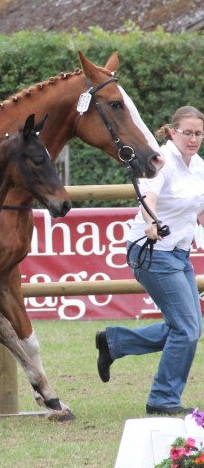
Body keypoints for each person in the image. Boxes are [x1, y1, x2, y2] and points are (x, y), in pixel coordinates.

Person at [96, 105, 204, 416]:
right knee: (186, 330)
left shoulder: (198, 166)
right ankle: (163, 399)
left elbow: (199, 210)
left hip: (179, 253)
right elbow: (148, 197)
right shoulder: (161, 160)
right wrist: (152, 221)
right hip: (152, 252)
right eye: (187, 132)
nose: (193, 139)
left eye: (198, 133)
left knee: (187, 326)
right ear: (173, 132)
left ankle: (115, 342)